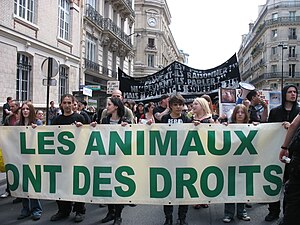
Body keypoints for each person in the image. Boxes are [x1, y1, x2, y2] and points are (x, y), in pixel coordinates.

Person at [265, 85, 299, 222]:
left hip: (293, 153)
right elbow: (268, 129)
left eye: (295, 92)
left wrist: (290, 126)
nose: (293, 94)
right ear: (284, 94)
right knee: (274, 181)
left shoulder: (299, 111)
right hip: (276, 151)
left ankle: (287, 213)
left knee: (290, 186)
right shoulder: (275, 112)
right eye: (290, 92)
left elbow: (296, 128)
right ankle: (273, 211)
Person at [50, 94, 86, 223]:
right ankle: (63, 210)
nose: (66, 105)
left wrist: (82, 128)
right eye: (64, 103)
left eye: (69, 103)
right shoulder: (56, 120)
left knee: (78, 184)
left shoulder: (80, 117)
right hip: (61, 159)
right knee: (61, 185)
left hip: (77, 158)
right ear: (61, 104)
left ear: (73, 104)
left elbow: (89, 135)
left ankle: (79, 210)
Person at [98, 97, 131, 225]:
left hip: (120, 159)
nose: (107, 107)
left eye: (109, 104)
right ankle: (110, 212)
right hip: (107, 158)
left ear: (116, 106)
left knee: (118, 187)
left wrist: (127, 127)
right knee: (108, 186)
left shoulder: (125, 120)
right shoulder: (105, 120)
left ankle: (118, 215)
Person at [161, 94, 190, 225]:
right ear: (170, 106)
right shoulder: (165, 119)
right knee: (168, 190)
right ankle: (168, 217)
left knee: (183, 190)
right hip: (168, 161)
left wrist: (197, 126)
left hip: (184, 160)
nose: (178, 107)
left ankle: (182, 217)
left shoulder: (187, 119)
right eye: (175, 105)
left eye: (180, 105)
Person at [222, 104, 251, 223]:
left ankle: (241, 211)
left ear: (246, 115)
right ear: (234, 114)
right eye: (237, 112)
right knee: (230, 188)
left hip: (244, 162)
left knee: (242, 187)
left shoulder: (251, 127)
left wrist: (256, 126)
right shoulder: (228, 127)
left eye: (242, 112)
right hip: (230, 162)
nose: (240, 114)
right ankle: (228, 213)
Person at [16, 101, 43, 221]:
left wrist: (37, 129)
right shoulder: (18, 124)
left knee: (33, 184)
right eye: (23, 109)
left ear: (31, 111)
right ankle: (25, 209)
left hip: (33, 159)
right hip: (21, 159)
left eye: (27, 109)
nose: (25, 111)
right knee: (23, 185)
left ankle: (36, 209)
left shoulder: (37, 123)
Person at [191, 97, 213, 209]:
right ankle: (196, 198)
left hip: (206, 151)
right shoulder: (190, 118)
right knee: (195, 175)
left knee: (205, 174)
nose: (193, 106)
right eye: (193, 104)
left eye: (196, 104)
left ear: (203, 105)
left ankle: (204, 198)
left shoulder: (210, 119)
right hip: (193, 151)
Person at [0, 100, 20, 199]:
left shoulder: (21, 117)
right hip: (11, 148)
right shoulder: (8, 118)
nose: (10, 108)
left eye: (12, 107)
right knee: (10, 169)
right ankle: (9, 190)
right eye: (10, 107)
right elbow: (4, 131)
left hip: (21, 148)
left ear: (17, 106)